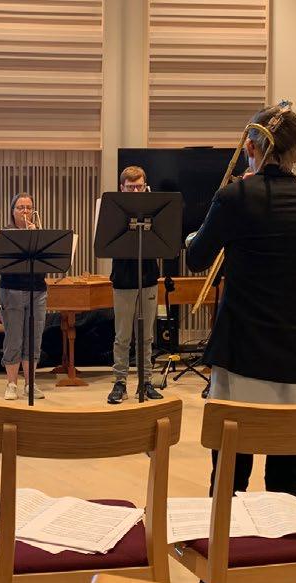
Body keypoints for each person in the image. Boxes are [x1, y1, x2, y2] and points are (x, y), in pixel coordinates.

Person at [185, 103, 296, 498]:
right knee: (287, 481)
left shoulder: (235, 196)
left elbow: (197, 257)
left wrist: (211, 219)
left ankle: (227, 539)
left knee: (230, 478)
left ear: (250, 147)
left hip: (243, 353)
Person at [108, 166, 164, 404]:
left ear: (145, 186)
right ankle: (120, 382)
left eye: (139, 187)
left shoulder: (154, 211)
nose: (135, 191)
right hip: (123, 278)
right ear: (122, 188)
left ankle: (146, 381)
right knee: (122, 336)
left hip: (148, 277)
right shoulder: (114, 212)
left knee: (146, 336)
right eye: (130, 187)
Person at [0, 192, 47, 401]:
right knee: (14, 339)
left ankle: (30, 384)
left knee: (34, 339)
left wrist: (37, 238)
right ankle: (11, 384)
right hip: (12, 290)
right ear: (12, 211)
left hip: (38, 290)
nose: (25, 211)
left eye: (28, 207)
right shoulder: (6, 234)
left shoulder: (39, 234)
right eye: (20, 207)